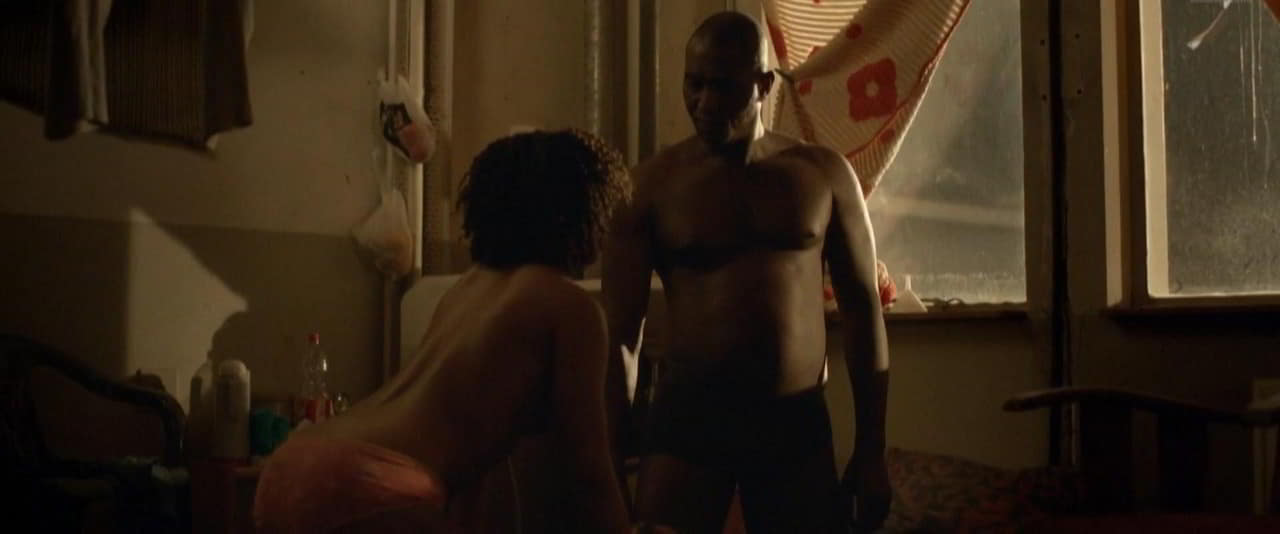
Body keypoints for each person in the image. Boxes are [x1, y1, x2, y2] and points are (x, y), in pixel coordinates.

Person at [254, 129, 632, 533]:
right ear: (582, 214)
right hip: (368, 484)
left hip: (297, 461)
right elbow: (588, 473)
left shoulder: (464, 290)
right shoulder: (572, 308)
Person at [602, 11, 891, 533]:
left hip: (793, 419)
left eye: (722, 86)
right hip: (690, 415)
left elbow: (863, 312)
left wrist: (872, 450)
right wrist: (609, 461)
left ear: (762, 85)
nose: (705, 102)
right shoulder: (649, 187)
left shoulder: (823, 175)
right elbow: (621, 338)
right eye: (694, 84)